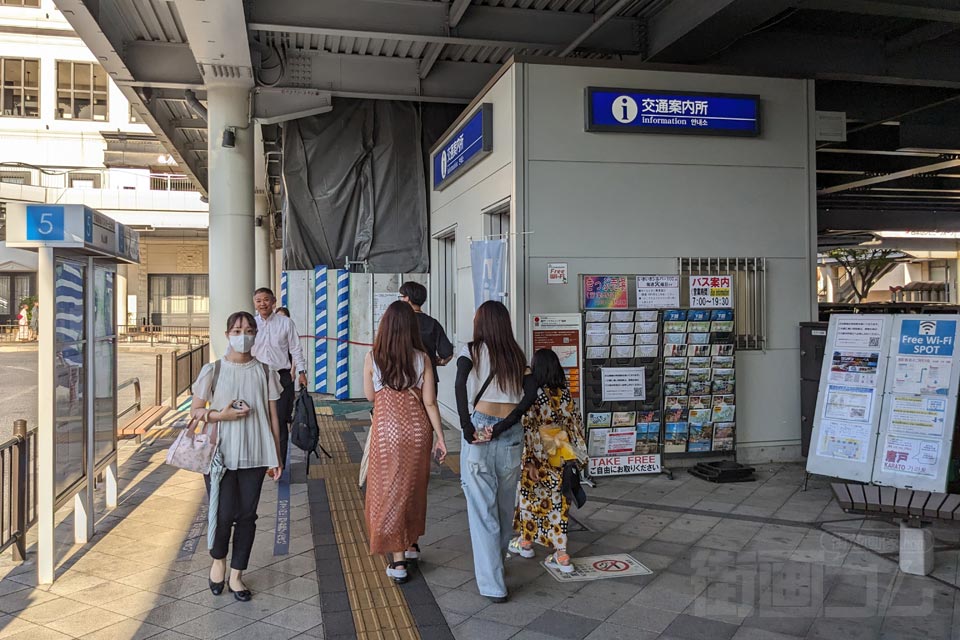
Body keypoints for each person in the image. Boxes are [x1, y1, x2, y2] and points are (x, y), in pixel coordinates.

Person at [190, 311, 283, 602]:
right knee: (223, 512)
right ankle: (218, 560)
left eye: (249, 330)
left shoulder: (266, 371)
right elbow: (195, 412)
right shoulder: (213, 370)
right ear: (227, 333)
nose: (243, 335)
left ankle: (237, 574)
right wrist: (221, 414)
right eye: (237, 330)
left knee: (247, 515)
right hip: (221, 454)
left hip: (256, 452)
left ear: (256, 334)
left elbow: (273, 416)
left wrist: (276, 455)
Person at [363, 301, 447, 584]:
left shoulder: (373, 357)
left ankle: (398, 561)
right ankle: (410, 544)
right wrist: (441, 437)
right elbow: (431, 402)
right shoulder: (422, 357)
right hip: (417, 431)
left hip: (387, 432)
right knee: (413, 488)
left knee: (389, 491)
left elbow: (370, 397)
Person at [455, 300, 527, 603]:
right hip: (511, 431)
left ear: (481, 322)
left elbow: (460, 384)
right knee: (503, 505)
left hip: (480, 428)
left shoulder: (471, 350)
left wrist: (466, 426)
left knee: (482, 510)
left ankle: (493, 584)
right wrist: (506, 424)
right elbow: (528, 394)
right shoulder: (515, 354)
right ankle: (497, 564)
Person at [504, 349, 587, 573]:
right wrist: (577, 456)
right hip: (561, 450)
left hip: (537, 453)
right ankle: (560, 555)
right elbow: (575, 424)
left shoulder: (533, 394)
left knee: (529, 499)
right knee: (559, 502)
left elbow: (528, 426)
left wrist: (528, 458)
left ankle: (526, 542)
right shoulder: (564, 393)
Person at [251, 288, 307, 463]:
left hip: (281, 377)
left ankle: (278, 461)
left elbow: (295, 348)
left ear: (273, 301)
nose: (262, 304)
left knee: (281, 420)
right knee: (257, 419)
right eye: (258, 301)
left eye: (266, 300)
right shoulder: (251, 324)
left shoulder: (285, 323)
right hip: (256, 377)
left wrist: (301, 372)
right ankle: (260, 459)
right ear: (254, 303)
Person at [399, 282, 453, 394]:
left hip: (403, 377)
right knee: (429, 408)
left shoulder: (399, 323)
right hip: (428, 378)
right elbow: (447, 352)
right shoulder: (433, 323)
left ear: (407, 298)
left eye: (402, 297)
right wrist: (438, 361)